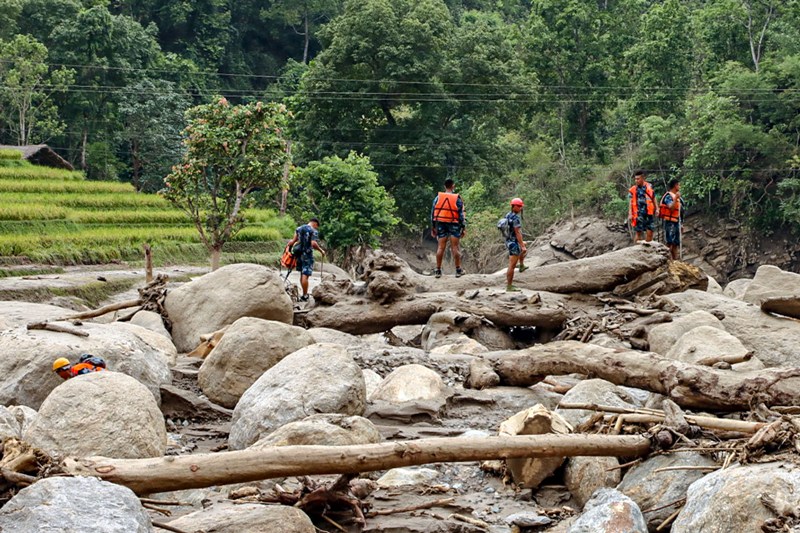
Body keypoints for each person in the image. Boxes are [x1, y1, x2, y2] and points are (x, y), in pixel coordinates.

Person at [431, 178, 466, 278]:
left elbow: (433, 213)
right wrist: (463, 228)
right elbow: (461, 215)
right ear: (453, 186)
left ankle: (438, 270)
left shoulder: (438, 198)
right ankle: (458, 270)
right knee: (455, 247)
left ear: (444, 186)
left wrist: (433, 227)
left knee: (440, 247)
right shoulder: (457, 199)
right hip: (454, 224)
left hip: (441, 223)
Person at [286, 217, 326, 301]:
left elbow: (292, 241)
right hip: (307, 255)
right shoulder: (313, 231)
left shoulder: (299, 229)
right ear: (315, 223)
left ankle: (304, 294)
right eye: (316, 226)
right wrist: (321, 250)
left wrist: (288, 249)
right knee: (305, 274)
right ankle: (305, 295)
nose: (316, 228)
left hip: (299, 255)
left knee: (302, 273)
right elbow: (313, 243)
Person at [503, 197, 528, 292]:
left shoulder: (508, 215)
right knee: (512, 265)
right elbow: (518, 233)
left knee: (524, 245)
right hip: (513, 242)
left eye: (521, 206)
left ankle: (521, 265)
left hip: (508, 240)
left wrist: (522, 244)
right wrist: (522, 245)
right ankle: (509, 286)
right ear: (514, 207)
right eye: (519, 206)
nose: (521, 208)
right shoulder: (515, 218)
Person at [628, 170, 658, 242]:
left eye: (638, 179)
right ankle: (636, 251)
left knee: (650, 231)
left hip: (649, 212)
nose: (636, 181)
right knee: (639, 232)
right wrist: (630, 213)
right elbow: (630, 202)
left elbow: (653, 198)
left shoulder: (648, 187)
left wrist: (657, 208)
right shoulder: (634, 189)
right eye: (635, 179)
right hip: (638, 213)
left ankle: (648, 248)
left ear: (642, 178)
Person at [659, 178, 683, 260]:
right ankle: (665, 259)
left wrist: (681, 224)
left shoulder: (678, 197)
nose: (679, 186)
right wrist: (675, 198)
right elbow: (671, 208)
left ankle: (675, 260)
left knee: (676, 242)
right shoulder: (669, 196)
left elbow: (680, 212)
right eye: (679, 185)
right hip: (670, 222)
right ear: (675, 185)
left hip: (677, 222)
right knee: (669, 242)